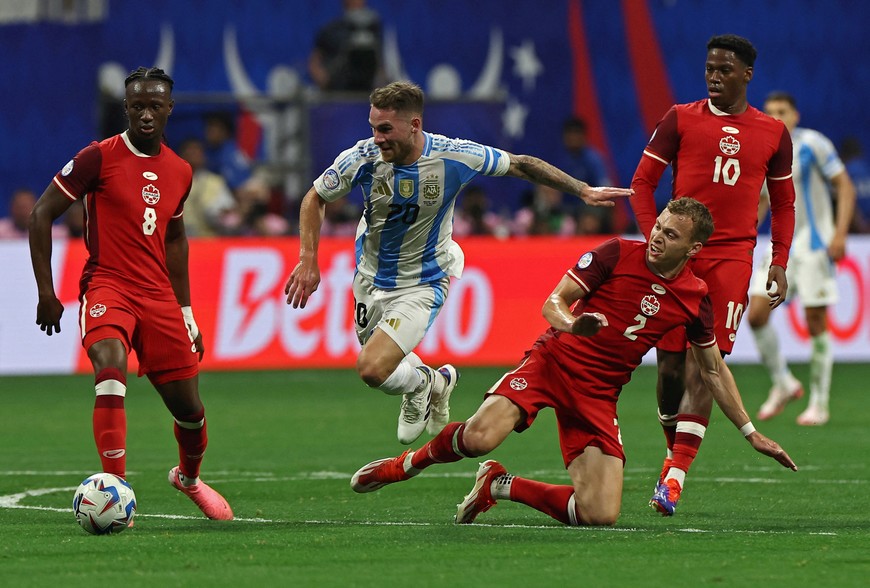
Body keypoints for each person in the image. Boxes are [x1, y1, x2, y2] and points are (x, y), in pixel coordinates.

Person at [349, 198, 797, 527]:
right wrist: (572, 325)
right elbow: (554, 303)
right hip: (552, 362)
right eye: (658, 226)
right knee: (481, 437)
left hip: (598, 394)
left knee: (599, 514)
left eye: (671, 235)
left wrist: (751, 433)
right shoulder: (616, 252)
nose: (658, 237)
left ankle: (500, 486)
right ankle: (406, 464)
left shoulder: (696, 297)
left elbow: (713, 370)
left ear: (694, 249)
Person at [284, 81, 632, 446]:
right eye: (373, 128)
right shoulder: (363, 156)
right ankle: (432, 382)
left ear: (414, 125)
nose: (377, 138)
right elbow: (315, 197)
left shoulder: (454, 155)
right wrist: (308, 259)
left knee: (372, 368)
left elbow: (521, 165)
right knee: (381, 369)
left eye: (385, 129)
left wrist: (582, 189)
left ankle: (422, 383)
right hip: (369, 277)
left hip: (423, 280)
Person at [28, 67, 233, 521]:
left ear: (169, 110)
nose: (145, 114)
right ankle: (114, 488)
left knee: (191, 412)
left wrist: (185, 310)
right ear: (125, 108)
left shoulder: (180, 171)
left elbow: (175, 239)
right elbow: (40, 214)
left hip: (159, 296)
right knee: (110, 367)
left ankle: (189, 479)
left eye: (154, 106)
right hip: (108, 284)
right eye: (137, 106)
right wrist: (46, 291)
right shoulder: (97, 158)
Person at [629, 34, 796, 516]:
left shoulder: (773, 133)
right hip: (679, 257)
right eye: (709, 69)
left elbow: (784, 203)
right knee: (668, 372)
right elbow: (642, 182)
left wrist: (779, 260)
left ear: (747, 75)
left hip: (731, 258)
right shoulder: (679, 119)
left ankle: (674, 477)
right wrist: (656, 239)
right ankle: (673, 452)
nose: (714, 77)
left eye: (724, 70)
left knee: (707, 364)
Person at [747, 92, 856, 426]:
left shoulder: (813, 144)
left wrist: (840, 233)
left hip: (814, 244)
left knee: (815, 320)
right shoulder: (763, 149)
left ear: (795, 114)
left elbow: (845, 186)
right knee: (756, 315)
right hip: (780, 246)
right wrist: (745, 232)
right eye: (770, 112)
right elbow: (763, 200)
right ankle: (783, 382)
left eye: (782, 111)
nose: (776, 117)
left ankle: (819, 403)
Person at [309, 0, 383, 93]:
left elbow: (380, 62)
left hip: (365, 92)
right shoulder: (331, 30)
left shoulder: (373, 29)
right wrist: (323, 78)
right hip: (337, 93)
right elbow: (315, 61)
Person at [555, 116, 614, 233]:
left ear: (583, 136)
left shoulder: (593, 160)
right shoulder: (561, 160)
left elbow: (605, 189)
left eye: (576, 133)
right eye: (569, 134)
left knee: (588, 222)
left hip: (589, 207)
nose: (572, 137)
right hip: (566, 209)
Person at [177, 137, 239, 237]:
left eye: (197, 152)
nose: (194, 155)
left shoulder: (216, 181)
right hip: (180, 238)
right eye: (190, 152)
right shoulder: (172, 181)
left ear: (203, 156)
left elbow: (228, 211)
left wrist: (221, 214)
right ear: (181, 156)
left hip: (209, 239)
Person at [839, 136, 870, 233]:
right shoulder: (867, 168)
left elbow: (849, 201)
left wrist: (862, 226)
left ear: (844, 155)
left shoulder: (845, 172)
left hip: (857, 228)